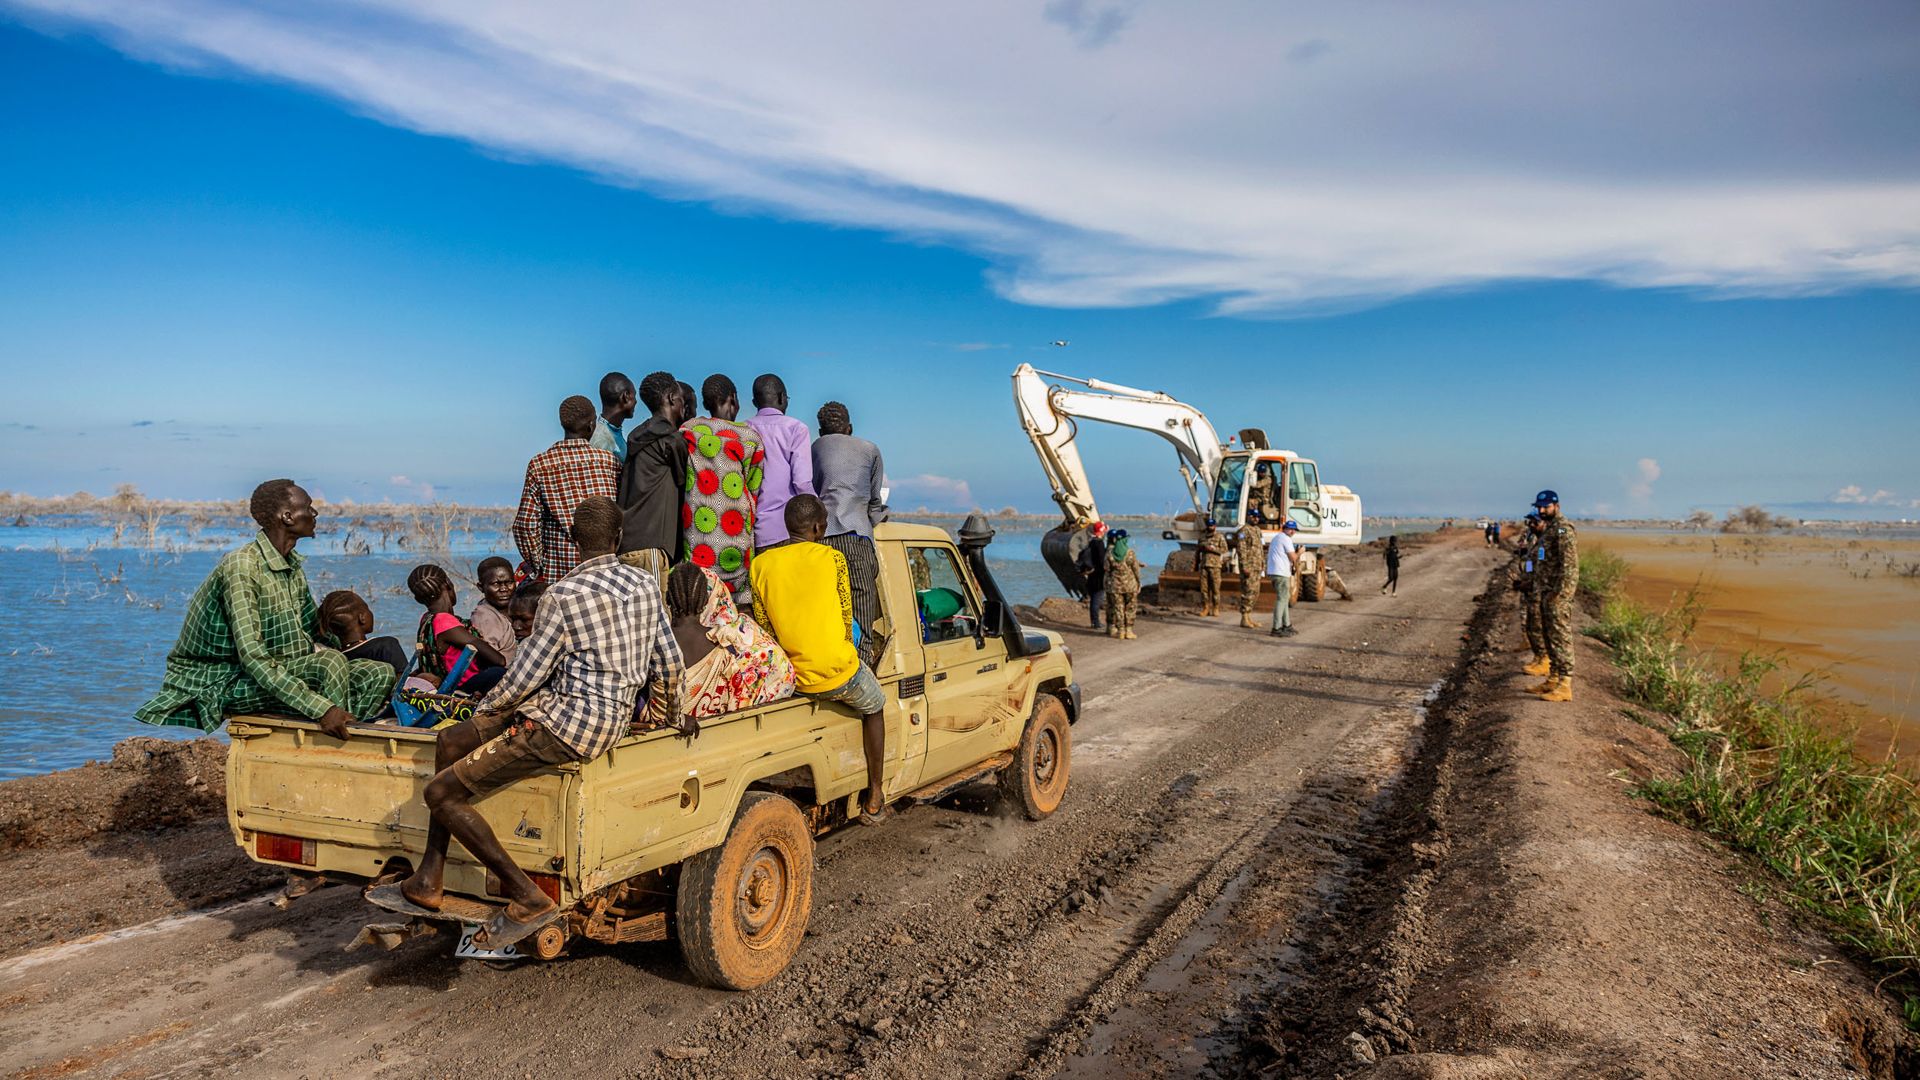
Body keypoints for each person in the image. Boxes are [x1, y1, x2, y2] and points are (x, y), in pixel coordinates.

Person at [399, 496, 686, 949]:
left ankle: (528, 897)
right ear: (618, 540)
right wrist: (671, 718)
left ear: (572, 541)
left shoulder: (562, 595)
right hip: (601, 717)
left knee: (439, 792)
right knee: (452, 742)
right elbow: (668, 663)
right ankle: (429, 877)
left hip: (565, 727)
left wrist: (483, 709)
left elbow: (525, 676)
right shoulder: (646, 585)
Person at [134, 480, 394, 738]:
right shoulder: (243, 567)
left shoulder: (292, 567)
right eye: (309, 508)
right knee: (329, 663)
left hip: (283, 670)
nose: (315, 514)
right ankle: (330, 738)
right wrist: (322, 708)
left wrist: (366, 646)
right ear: (288, 517)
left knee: (379, 673)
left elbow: (315, 630)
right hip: (226, 681)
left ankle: (346, 735)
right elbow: (252, 657)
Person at [750, 495, 889, 823]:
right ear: (816, 528)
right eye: (824, 527)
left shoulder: (760, 565)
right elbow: (845, 615)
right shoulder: (832, 558)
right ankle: (875, 794)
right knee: (876, 705)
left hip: (794, 678)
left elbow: (765, 628)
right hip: (838, 673)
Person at [658, 562, 796, 721]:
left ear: (668, 598)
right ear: (706, 600)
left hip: (671, 721)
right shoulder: (725, 642)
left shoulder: (659, 640)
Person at [812, 401, 888, 665]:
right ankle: (863, 666)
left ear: (821, 431)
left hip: (821, 540)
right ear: (850, 428)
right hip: (857, 535)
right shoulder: (870, 449)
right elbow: (874, 502)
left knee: (827, 608)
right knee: (863, 606)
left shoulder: (814, 448)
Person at [514, 396, 618, 582]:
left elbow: (526, 526)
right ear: (591, 425)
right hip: (605, 570)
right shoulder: (608, 462)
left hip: (559, 572)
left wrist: (540, 564)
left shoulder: (540, 465)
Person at [680, 374, 764, 603]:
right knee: (739, 604)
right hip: (736, 533)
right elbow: (753, 489)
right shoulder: (749, 438)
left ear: (706, 403)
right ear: (733, 399)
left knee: (700, 600)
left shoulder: (688, 430)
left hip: (697, 535)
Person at [616, 371, 690, 589]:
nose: (683, 406)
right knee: (657, 617)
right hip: (650, 545)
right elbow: (684, 481)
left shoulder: (637, 435)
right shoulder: (670, 440)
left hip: (628, 543)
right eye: (681, 400)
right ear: (670, 399)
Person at [407, 564, 511, 696]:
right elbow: (498, 660)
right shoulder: (444, 621)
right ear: (448, 584)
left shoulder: (426, 619)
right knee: (499, 672)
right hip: (460, 690)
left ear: (418, 599)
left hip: (445, 686)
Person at [746, 374, 815, 548]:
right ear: (782, 398)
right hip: (789, 530)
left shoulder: (742, 430)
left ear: (755, 402)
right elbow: (802, 482)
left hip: (752, 531)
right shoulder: (796, 429)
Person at [1531, 490, 1579, 701]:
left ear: (1556, 506)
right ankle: (1553, 678)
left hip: (1557, 595)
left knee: (1561, 637)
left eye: (1546, 507)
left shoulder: (1562, 530)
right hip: (1546, 592)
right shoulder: (1549, 529)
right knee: (1550, 637)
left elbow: (1570, 567)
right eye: (1539, 507)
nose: (1542, 510)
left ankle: (1565, 684)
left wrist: (1562, 595)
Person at [318, 590, 408, 676]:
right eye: (368, 609)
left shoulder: (336, 658)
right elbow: (404, 682)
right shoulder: (385, 646)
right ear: (362, 618)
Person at [1510, 513, 1550, 678]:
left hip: (1538, 588)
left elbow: (1541, 567)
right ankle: (1538, 657)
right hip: (1529, 584)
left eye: (1535, 522)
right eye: (1530, 522)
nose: (1531, 525)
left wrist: (1530, 583)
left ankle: (1544, 660)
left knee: (1538, 625)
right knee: (1530, 623)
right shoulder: (1532, 537)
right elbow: (1529, 562)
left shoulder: (1545, 540)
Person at [470, 556, 518, 665]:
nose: (504, 589)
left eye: (509, 582)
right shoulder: (484, 617)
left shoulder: (517, 608)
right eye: (496, 584)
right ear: (481, 587)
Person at [591, 372, 635, 464]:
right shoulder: (600, 440)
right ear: (625, 396)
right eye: (634, 395)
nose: (636, 401)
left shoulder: (613, 433)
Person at [1106, 528, 1142, 640]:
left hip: (1115, 586)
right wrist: (1139, 582)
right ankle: (1129, 631)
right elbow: (1136, 569)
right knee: (1130, 608)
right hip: (1130, 586)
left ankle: (1120, 631)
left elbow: (1106, 568)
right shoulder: (1130, 553)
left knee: (1118, 608)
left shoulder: (1110, 553)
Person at [1267, 519, 1301, 637]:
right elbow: (1293, 557)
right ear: (1285, 528)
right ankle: (1276, 628)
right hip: (1280, 573)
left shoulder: (1277, 537)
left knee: (1284, 598)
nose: (1292, 531)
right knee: (1282, 599)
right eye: (1290, 529)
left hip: (1275, 572)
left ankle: (1287, 625)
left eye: (1294, 529)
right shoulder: (1286, 539)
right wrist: (1300, 552)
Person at [1234, 514, 1267, 629]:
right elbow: (1241, 550)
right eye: (1253, 516)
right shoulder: (1243, 531)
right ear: (1248, 517)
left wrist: (1263, 563)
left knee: (1255, 592)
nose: (1256, 518)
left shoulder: (1257, 530)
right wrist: (1245, 566)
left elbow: (1261, 548)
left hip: (1257, 566)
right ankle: (1244, 618)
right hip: (1249, 567)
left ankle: (1249, 618)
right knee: (1248, 591)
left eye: (1257, 516)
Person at [1077, 522, 1109, 631]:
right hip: (1098, 576)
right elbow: (1101, 561)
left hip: (1091, 575)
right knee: (1096, 599)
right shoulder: (1099, 544)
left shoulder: (1091, 542)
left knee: (1094, 599)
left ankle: (1094, 621)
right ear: (1101, 531)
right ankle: (1096, 622)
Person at [1196, 517, 1227, 617]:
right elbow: (1198, 550)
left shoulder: (1219, 537)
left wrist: (1213, 549)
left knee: (1215, 588)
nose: (1210, 527)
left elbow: (1224, 549)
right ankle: (1205, 607)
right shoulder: (1202, 537)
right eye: (1209, 525)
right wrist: (1196, 563)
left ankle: (1216, 607)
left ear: (1215, 526)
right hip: (1204, 565)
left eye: (1212, 525)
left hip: (1215, 566)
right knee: (1204, 589)